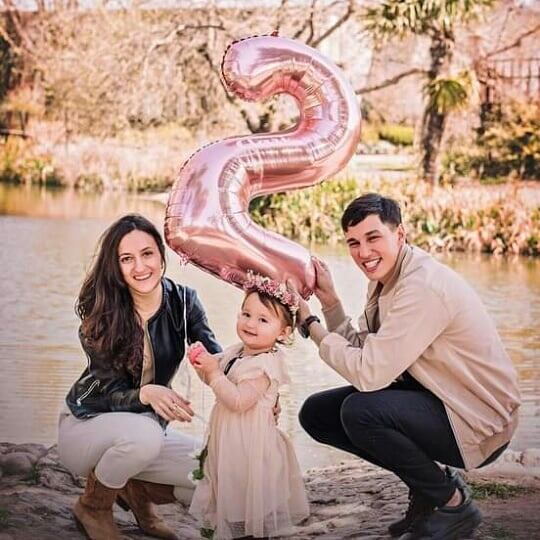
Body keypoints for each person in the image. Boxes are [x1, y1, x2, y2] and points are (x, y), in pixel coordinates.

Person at [294, 193, 521, 540]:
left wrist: (311, 325)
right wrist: (330, 303)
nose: (363, 253)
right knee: (317, 413)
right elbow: (371, 352)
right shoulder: (388, 278)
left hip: (476, 420)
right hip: (438, 396)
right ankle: (428, 491)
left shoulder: (421, 286)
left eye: (373, 238)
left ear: (400, 234)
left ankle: (452, 502)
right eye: (353, 243)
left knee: (361, 411)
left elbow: (369, 374)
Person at [58, 214, 222, 540]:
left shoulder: (184, 301)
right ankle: (93, 505)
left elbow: (214, 356)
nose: (140, 267)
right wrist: (146, 393)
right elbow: (106, 391)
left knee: (214, 469)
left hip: (143, 432)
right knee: (145, 435)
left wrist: (246, 386)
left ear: (162, 255)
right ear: (116, 267)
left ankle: (136, 492)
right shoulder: (102, 307)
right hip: (87, 425)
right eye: (126, 259)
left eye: (147, 254)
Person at [187, 272, 310, 539]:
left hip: (250, 446)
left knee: (250, 502)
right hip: (231, 442)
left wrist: (214, 373)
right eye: (246, 314)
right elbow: (213, 377)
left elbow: (239, 401)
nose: (250, 323)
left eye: (263, 319)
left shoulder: (264, 365)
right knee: (230, 495)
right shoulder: (237, 351)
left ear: (284, 331)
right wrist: (202, 363)